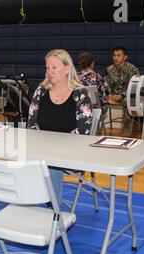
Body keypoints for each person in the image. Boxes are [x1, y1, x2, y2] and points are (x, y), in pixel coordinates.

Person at [28, 49, 93, 202]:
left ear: (67, 69)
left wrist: (53, 148)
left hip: (69, 153)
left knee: (50, 163)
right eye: (47, 68)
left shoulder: (81, 94)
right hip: (41, 150)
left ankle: (53, 213)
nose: (49, 72)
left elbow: (83, 132)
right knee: (23, 157)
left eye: (54, 67)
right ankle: (26, 204)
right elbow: (31, 125)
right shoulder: (41, 92)